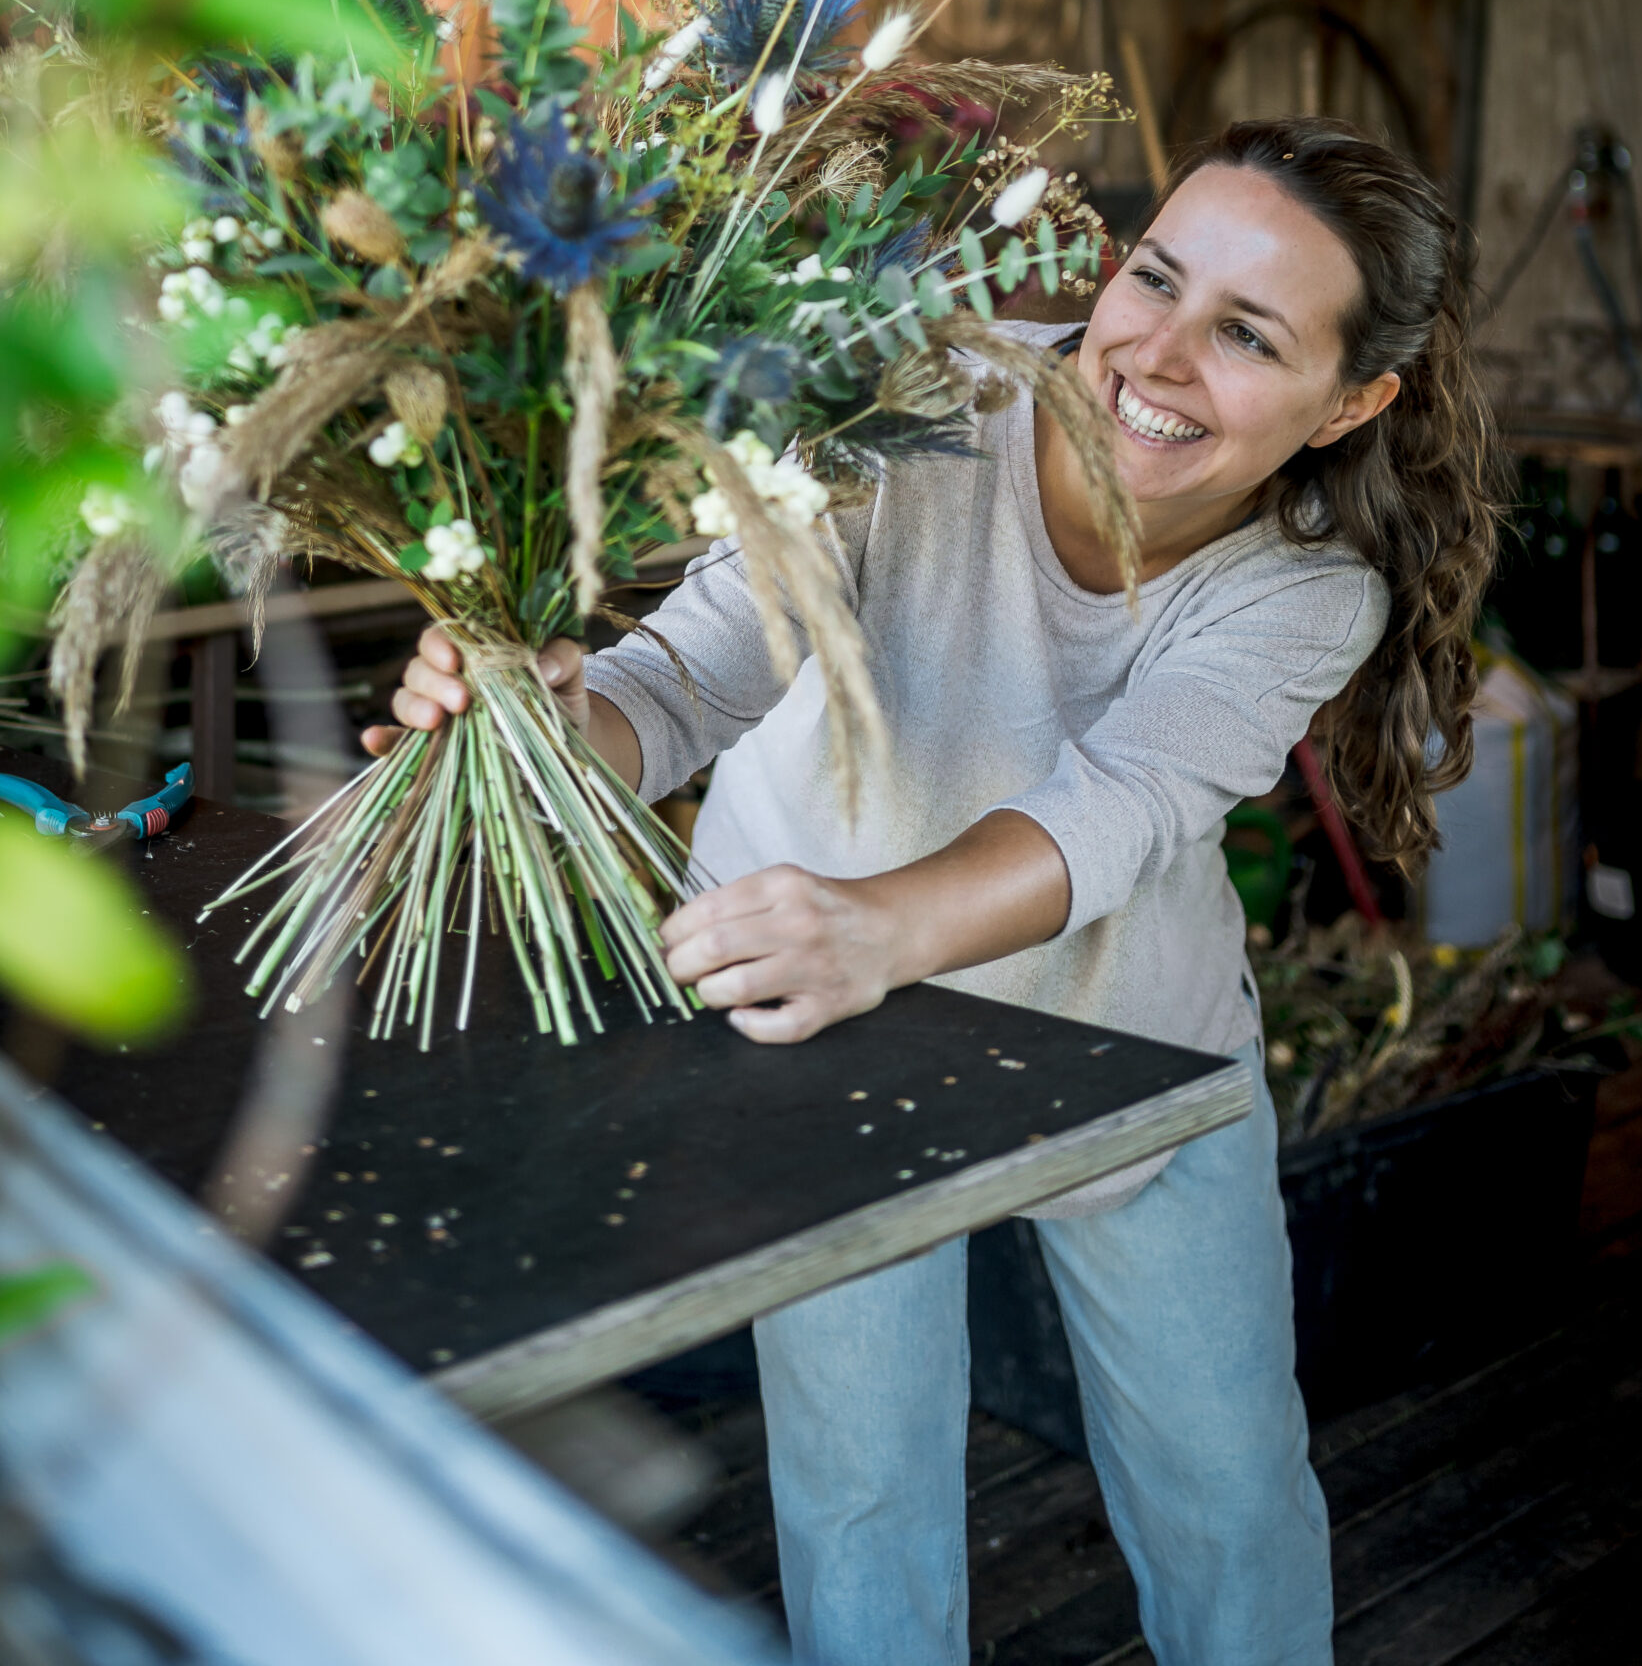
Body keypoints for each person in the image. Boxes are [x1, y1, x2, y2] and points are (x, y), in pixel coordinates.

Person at [366, 116, 1502, 1666]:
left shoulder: (1309, 584)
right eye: (1151, 281)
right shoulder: (926, 399)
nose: (1154, 358)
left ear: (1350, 402)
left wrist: (874, 924)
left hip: (1131, 1046)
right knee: (859, 1498)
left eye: (1246, 334)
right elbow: (693, 676)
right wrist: (541, 725)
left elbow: (1120, 805)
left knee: (1227, 1498)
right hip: (817, 1018)